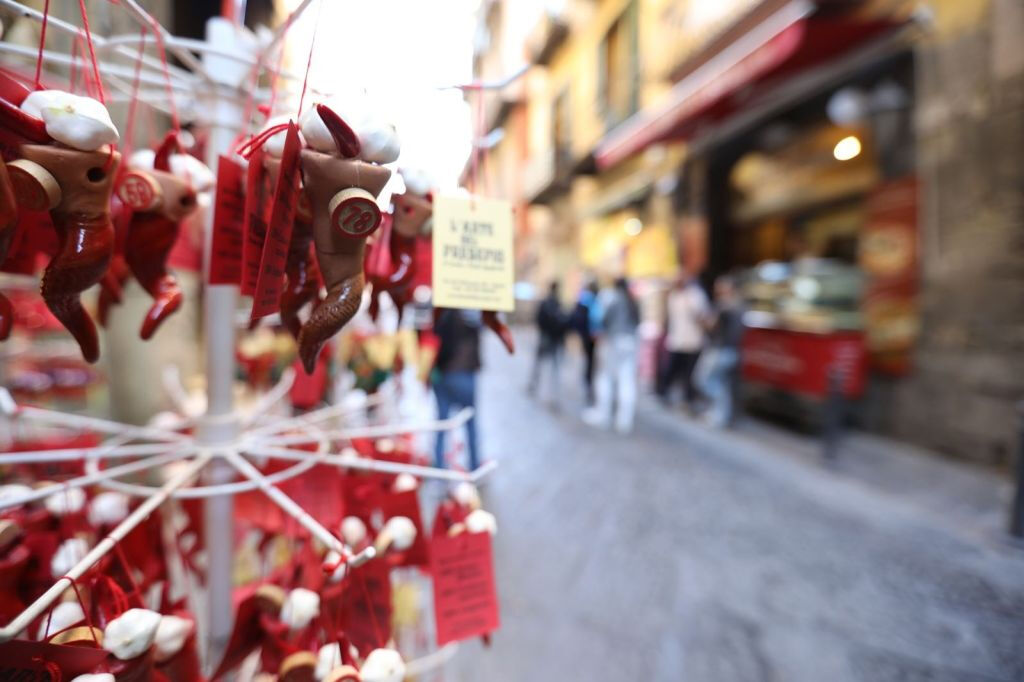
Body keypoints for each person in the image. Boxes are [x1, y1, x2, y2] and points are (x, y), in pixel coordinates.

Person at [583, 277, 640, 434]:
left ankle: (604, 413)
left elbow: (602, 319)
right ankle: (624, 419)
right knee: (626, 380)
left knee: (605, 378)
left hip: (613, 342)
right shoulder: (632, 302)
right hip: (630, 343)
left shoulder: (612, 299)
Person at [432, 308, 483, 470]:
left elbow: (436, 340)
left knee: (442, 424)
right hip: (464, 373)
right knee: (470, 423)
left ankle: (440, 467)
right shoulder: (474, 315)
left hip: (444, 373)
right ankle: (474, 465)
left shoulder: (441, 312)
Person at [695, 275, 744, 427]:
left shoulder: (724, 306)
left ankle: (719, 413)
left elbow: (710, 325)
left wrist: (700, 320)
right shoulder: (739, 306)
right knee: (721, 384)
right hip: (731, 350)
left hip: (720, 350)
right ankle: (721, 414)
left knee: (704, 380)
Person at [659, 272, 710, 412]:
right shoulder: (674, 296)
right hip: (676, 340)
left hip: (693, 342)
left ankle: (688, 401)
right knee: (670, 369)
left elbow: (702, 316)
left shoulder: (695, 295)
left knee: (689, 374)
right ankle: (664, 393)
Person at [527, 282, 566, 405]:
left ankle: (535, 385)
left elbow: (539, 319)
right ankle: (548, 391)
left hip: (547, 337)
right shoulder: (557, 304)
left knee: (540, 364)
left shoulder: (549, 303)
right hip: (552, 338)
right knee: (550, 366)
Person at [569, 280, 601, 406]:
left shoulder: (584, 298)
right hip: (592, 334)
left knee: (588, 359)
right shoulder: (594, 299)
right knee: (591, 360)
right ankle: (588, 382)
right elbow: (596, 317)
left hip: (584, 334)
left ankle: (587, 382)